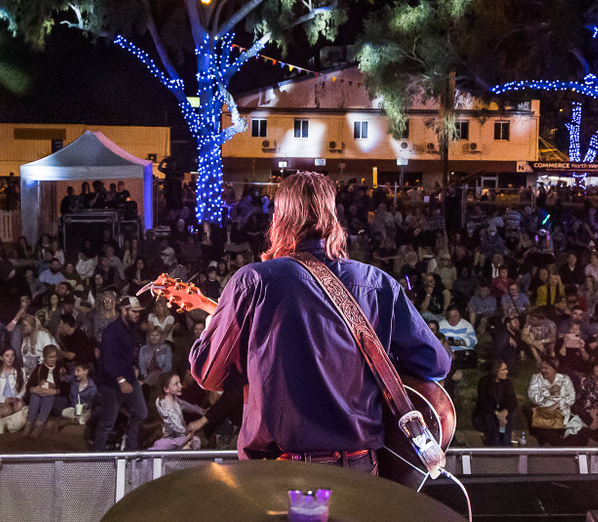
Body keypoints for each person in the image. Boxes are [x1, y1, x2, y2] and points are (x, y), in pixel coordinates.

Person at [190, 172, 449, 473]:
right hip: (360, 469)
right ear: (333, 216)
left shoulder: (254, 281)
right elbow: (436, 363)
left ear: (278, 219)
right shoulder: (378, 283)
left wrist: (212, 327)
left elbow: (208, 375)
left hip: (280, 473)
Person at [93, 295, 148, 451]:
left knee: (141, 411)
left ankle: (130, 447)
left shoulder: (130, 329)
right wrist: (121, 380)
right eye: (134, 311)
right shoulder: (111, 331)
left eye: (138, 311)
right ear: (124, 311)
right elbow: (108, 359)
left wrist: (132, 370)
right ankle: (98, 457)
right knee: (107, 422)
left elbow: (126, 356)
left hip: (127, 377)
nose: (137, 314)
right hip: (111, 382)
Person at [526, 358, 586, 446]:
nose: (543, 370)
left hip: (561, 412)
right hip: (544, 413)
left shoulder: (565, 379)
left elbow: (571, 397)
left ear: (554, 369)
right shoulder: (536, 378)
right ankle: (559, 446)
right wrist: (549, 396)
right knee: (545, 429)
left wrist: (559, 404)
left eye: (546, 368)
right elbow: (533, 396)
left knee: (580, 433)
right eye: (542, 368)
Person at [149, 372, 206, 450]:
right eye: (176, 384)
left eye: (179, 382)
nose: (181, 386)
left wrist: (201, 411)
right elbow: (175, 425)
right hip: (171, 441)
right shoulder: (166, 405)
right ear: (166, 389)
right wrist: (187, 434)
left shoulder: (174, 399)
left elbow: (186, 405)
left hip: (180, 437)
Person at [21, 345, 68, 438]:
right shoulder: (39, 368)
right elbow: (30, 386)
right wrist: (35, 389)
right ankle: (29, 423)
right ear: (44, 357)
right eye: (50, 357)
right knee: (35, 395)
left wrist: (54, 391)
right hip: (41, 395)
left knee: (48, 395)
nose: (53, 359)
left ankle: (40, 423)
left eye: (54, 356)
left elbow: (67, 388)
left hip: (57, 398)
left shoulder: (61, 367)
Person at [473, 361, 517, 446]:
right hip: (490, 411)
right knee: (489, 417)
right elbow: (484, 402)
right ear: (495, 371)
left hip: (504, 412)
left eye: (506, 369)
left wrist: (505, 412)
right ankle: (493, 442)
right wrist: (497, 414)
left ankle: (506, 443)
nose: (506, 372)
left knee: (511, 414)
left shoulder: (508, 382)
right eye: (503, 370)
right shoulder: (484, 382)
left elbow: (513, 401)